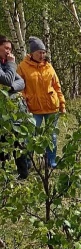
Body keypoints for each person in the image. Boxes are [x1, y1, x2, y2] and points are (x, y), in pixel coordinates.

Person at [17, 37, 65, 168]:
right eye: (39, 52)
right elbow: (19, 86)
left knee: (52, 136)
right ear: (32, 53)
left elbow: (57, 86)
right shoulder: (23, 67)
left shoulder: (49, 67)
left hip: (51, 107)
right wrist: (24, 99)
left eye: (44, 52)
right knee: (30, 136)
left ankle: (51, 161)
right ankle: (28, 162)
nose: (42, 55)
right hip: (33, 109)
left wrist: (62, 103)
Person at [0, 35, 29, 179]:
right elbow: (6, 79)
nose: (8, 51)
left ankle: (23, 174)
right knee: (3, 145)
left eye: (10, 49)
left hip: (13, 113)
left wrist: (9, 88)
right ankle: (4, 178)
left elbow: (21, 82)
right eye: (6, 48)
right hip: (2, 114)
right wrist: (12, 64)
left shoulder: (5, 64)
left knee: (18, 142)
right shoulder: (7, 64)